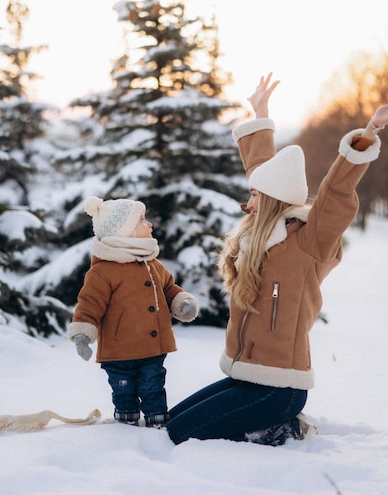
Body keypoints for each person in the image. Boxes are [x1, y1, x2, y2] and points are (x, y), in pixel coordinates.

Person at [162, 73, 387, 446]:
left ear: (269, 200)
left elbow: (336, 193)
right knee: (169, 423)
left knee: (175, 436)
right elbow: (265, 169)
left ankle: (279, 426)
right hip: (246, 376)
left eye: (253, 195)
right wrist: (261, 112)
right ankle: (273, 429)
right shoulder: (260, 234)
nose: (246, 203)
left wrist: (368, 133)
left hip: (278, 389)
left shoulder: (308, 242)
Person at [68, 196, 199, 428]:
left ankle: (157, 422)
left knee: (153, 386)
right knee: (123, 390)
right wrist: (83, 335)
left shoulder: (152, 264)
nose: (149, 224)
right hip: (119, 351)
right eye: (141, 220)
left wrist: (181, 302)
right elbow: (89, 305)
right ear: (123, 232)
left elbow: (169, 288)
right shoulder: (103, 271)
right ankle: (126, 425)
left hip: (152, 347)